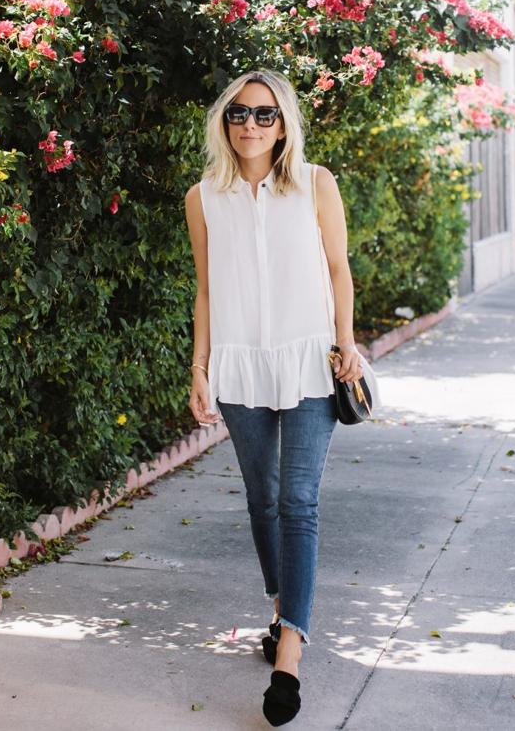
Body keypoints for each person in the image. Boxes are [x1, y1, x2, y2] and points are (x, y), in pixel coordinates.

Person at [184, 67, 365, 726]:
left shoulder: (314, 185)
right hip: (239, 369)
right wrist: (199, 366)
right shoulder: (203, 196)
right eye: (237, 113)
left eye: (263, 114)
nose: (249, 125)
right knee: (262, 501)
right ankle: (279, 605)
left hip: (308, 364)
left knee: (297, 502)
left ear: (283, 122)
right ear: (223, 122)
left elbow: (339, 269)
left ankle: (289, 651)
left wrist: (346, 340)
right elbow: (206, 289)